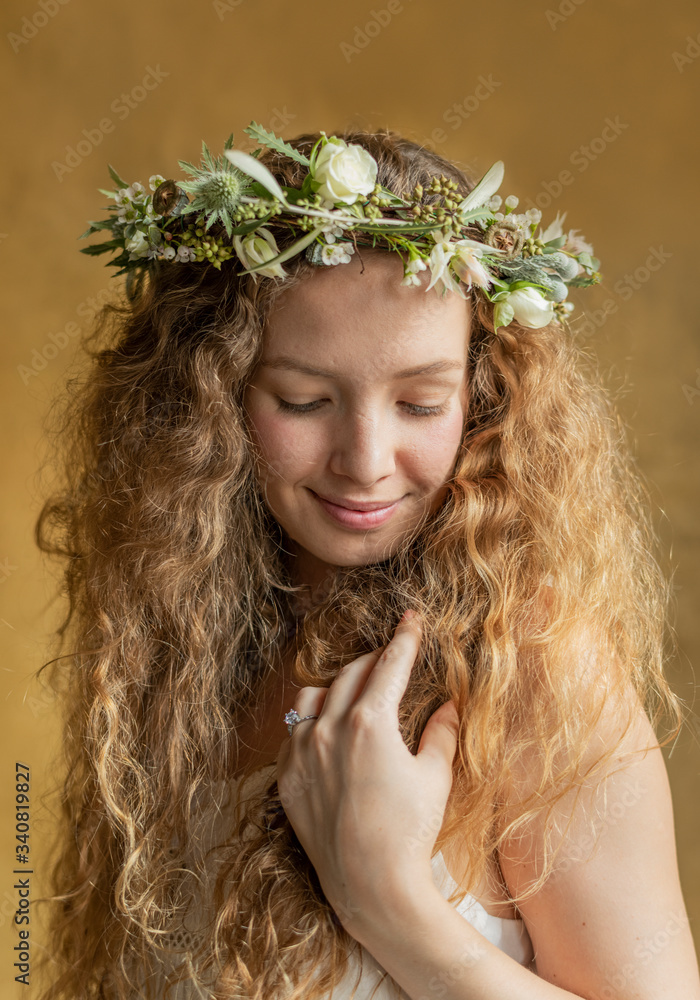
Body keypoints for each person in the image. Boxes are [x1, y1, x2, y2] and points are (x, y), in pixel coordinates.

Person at [32, 124, 700, 1000]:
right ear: (212, 395)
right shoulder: (179, 655)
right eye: (305, 400)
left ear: (482, 396)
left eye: (421, 403)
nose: (366, 459)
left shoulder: (530, 663)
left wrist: (385, 899)